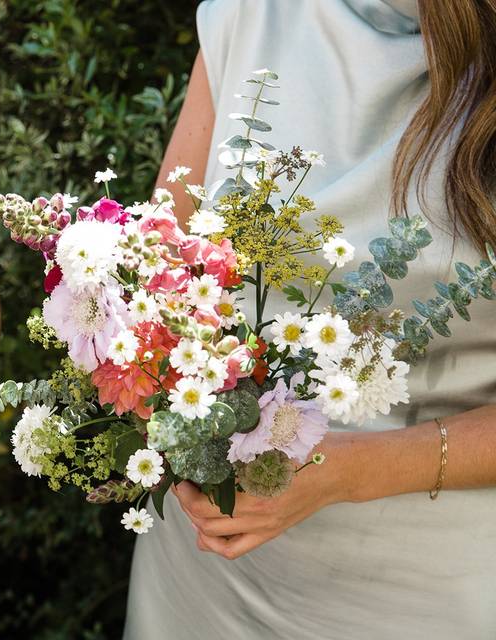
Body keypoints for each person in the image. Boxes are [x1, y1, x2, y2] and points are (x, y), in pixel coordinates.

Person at [125, 1, 496, 637]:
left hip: (422, 595)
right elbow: (159, 263)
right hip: (202, 576)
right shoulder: (255, 13)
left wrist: (344, 471)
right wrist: (151, 391)